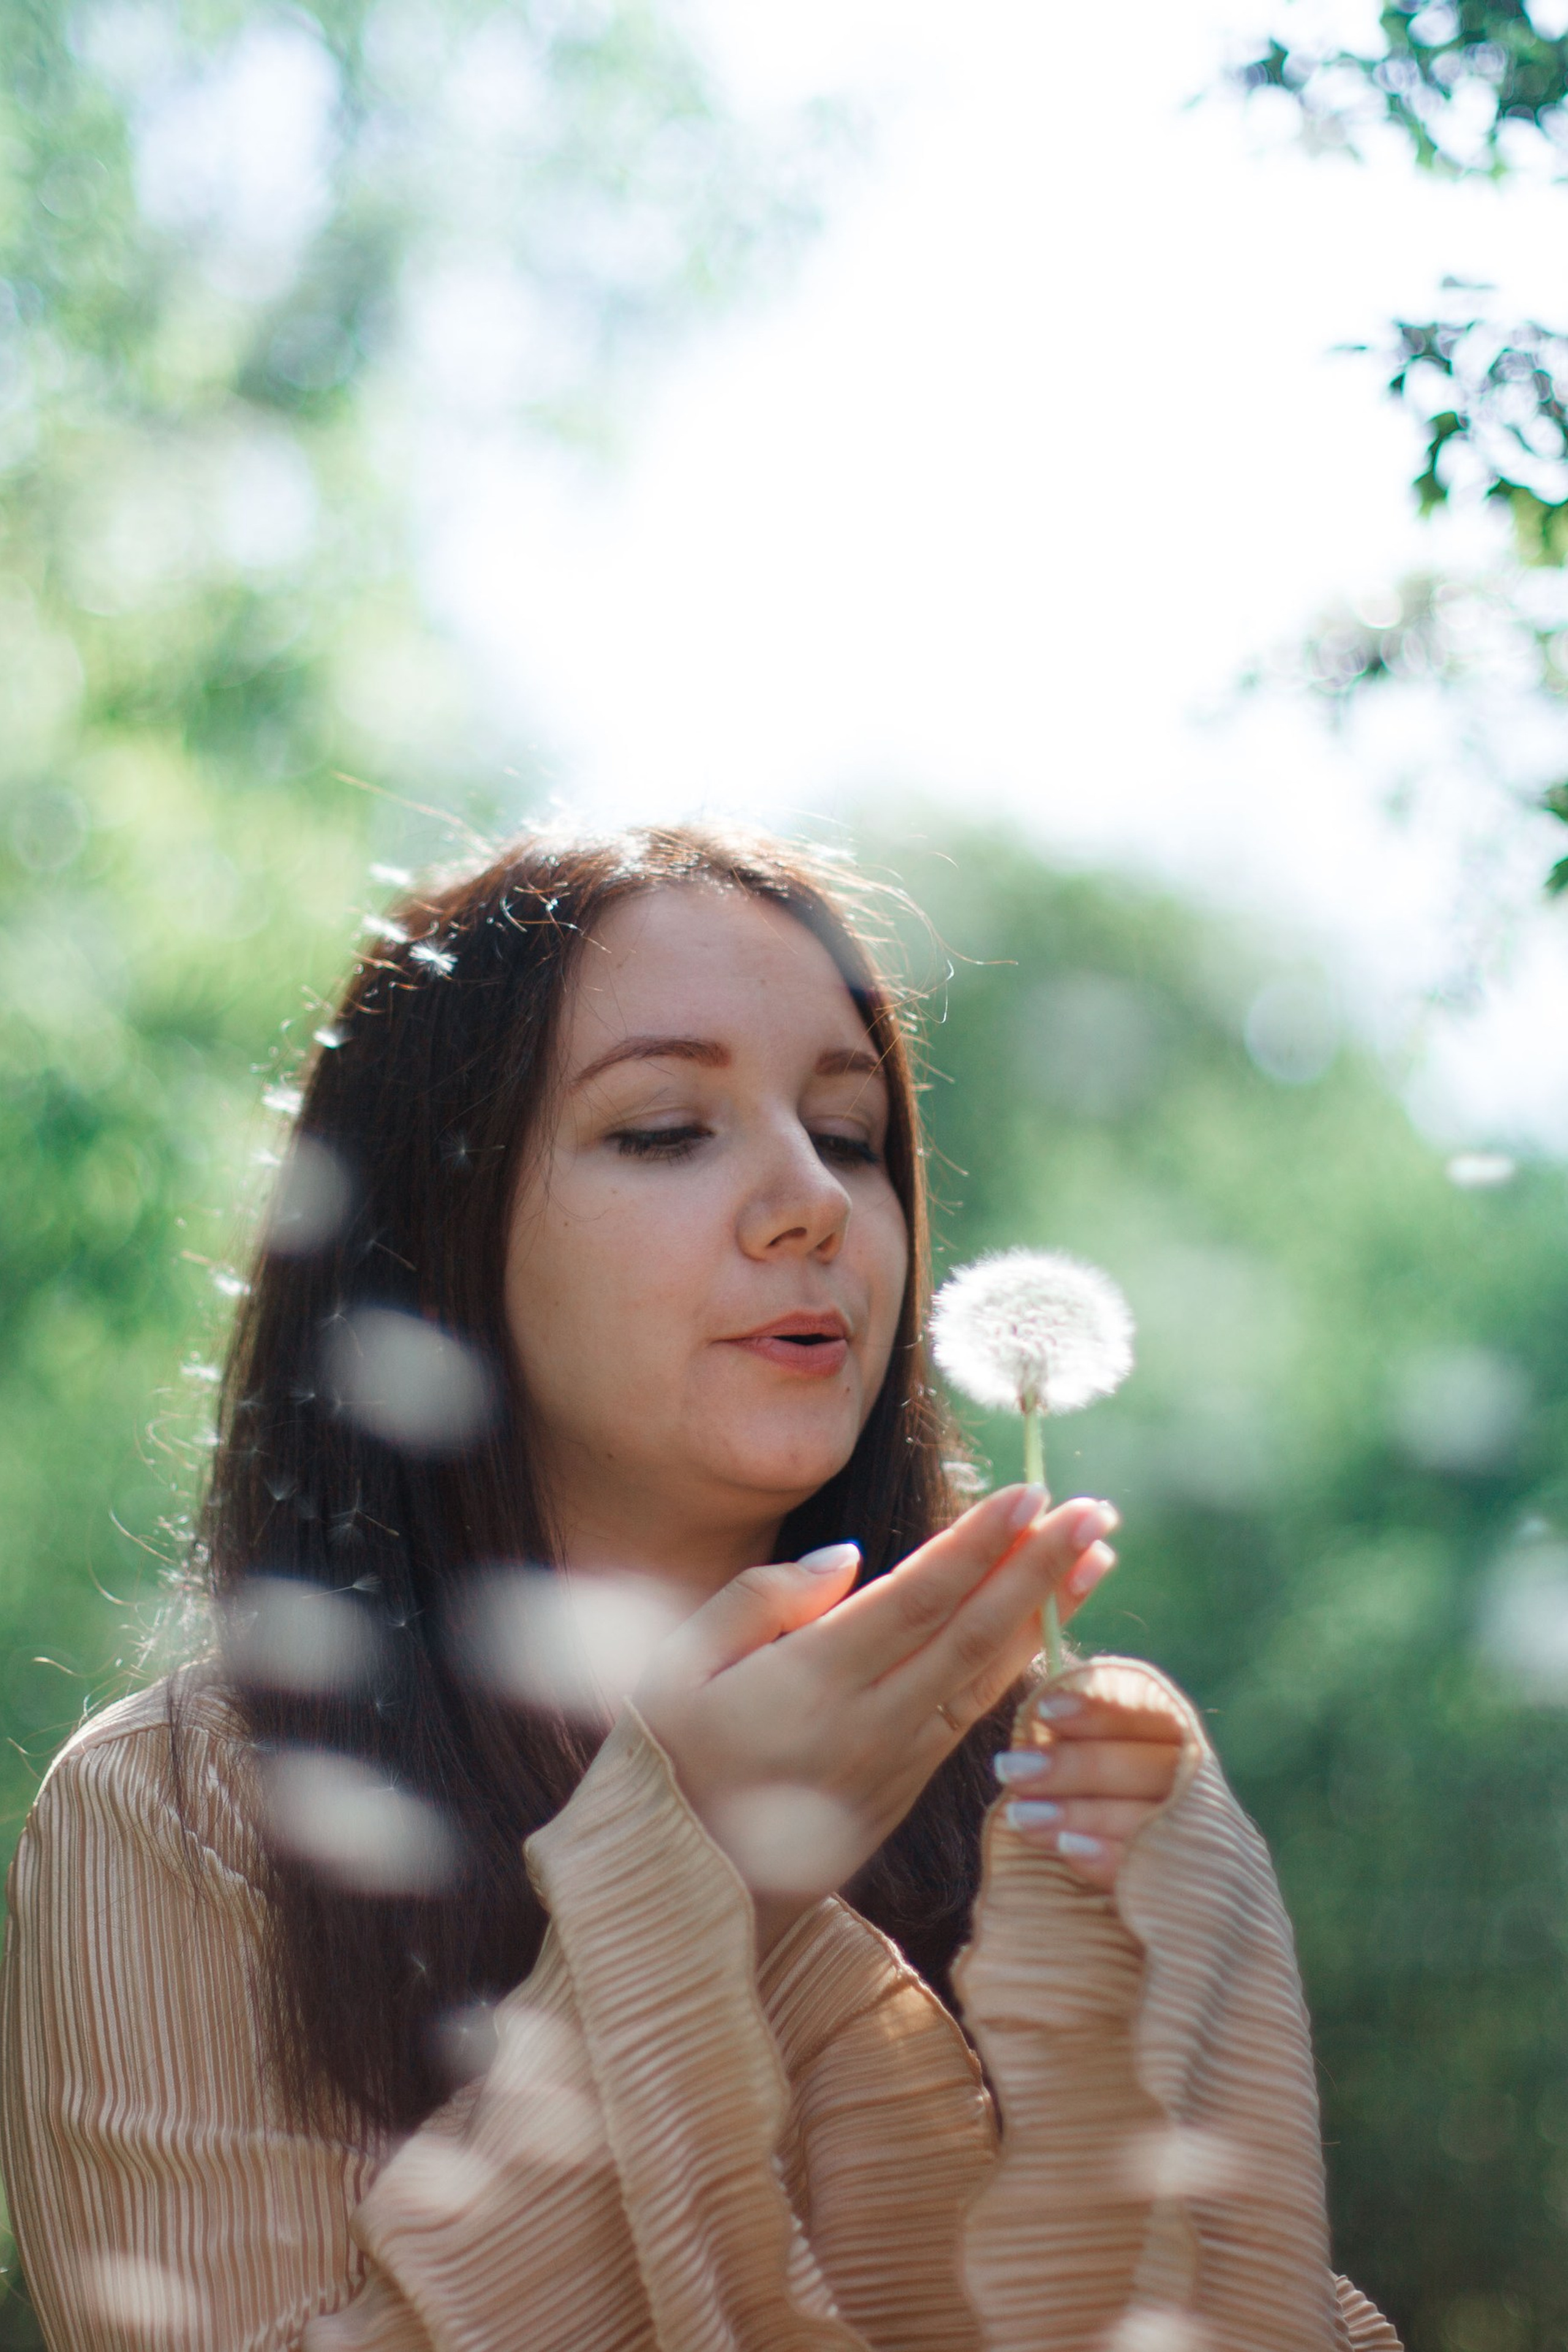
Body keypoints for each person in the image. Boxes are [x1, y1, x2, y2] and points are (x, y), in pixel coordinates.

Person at [1, 824, 1396, 2351]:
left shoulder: (1049, 1795)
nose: (812, 1203)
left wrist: (1185, 1935)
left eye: (851, 1134)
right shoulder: (186, 1810)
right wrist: (690, 1892)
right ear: (429, 1241)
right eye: (666, 1129)